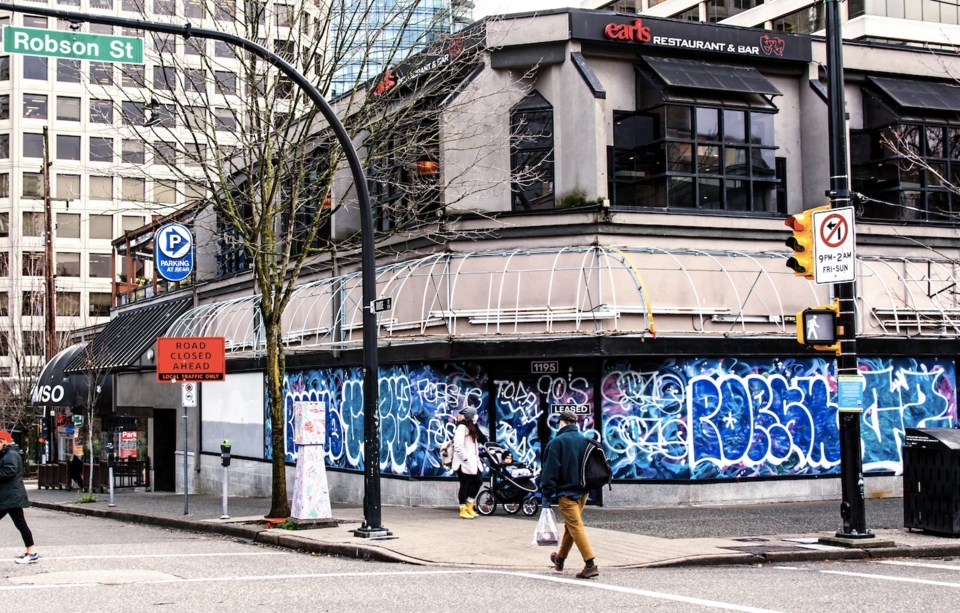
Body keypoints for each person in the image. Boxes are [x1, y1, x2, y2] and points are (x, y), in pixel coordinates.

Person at [540, 410, 598, 579]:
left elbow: (550, 472)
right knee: (571, 526)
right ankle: (559, 559)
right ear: (575, 423)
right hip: (583, 492)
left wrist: (546, 495)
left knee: (575, 526)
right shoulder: (585, 441)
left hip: (567, 494)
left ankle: (590, 564)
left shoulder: (556, 443)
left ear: (562, 422)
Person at [0, 430, 39, 564]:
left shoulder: (11, 454)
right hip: (9, 497)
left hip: (11, 497)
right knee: (21, 524)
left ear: (4, 441)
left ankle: (32, 552)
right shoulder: (6, 453)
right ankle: (31, 551)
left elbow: (9, 471)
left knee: (21, 524)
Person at [452, 407, 483, 519]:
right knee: (464, 485)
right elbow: (458, 445)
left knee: (478, 481)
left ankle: (470, 504)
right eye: (474, 414)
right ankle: (462, 509)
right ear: (470, 416)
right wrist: (465, 458)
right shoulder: (461, 427)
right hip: (463, 463)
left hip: (472, 461)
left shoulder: (472, 427)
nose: (476, 416)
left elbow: (481, 438)